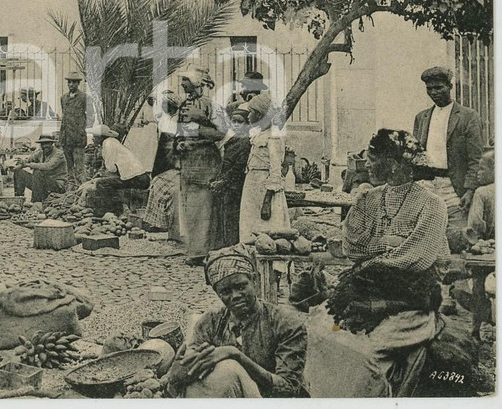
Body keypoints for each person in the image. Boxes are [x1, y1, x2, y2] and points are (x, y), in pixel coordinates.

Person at [304, 129, 448, 398]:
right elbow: (353, 247)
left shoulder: (432, 204)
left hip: (407, 300)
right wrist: (387, 243)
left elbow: (417, 258)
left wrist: (373, 257)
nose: (366, 163)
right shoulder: (368, 198)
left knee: (367, 352)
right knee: (321, 329)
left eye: (371, 157)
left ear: (393, 163)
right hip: (364, 292)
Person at [165, 244, 307, 398]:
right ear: (217, 293)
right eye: (225, 292)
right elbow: (191, 370)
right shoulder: (209, 324)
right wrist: (175, 377)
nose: (235, 296)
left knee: (228, 368)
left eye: (240, 286)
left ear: (254, 279)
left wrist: (235, 355)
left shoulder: (286, 324)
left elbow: (288, 388)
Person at [412, 66, 484, 253]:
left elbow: (475, 158)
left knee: (457, 237)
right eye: (430, 88)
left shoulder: (468, 117)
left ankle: (455, 278)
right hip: (427, 184)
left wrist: (469, 190)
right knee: (425, 235)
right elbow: (416, 153)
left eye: (439, 87)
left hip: (454, 186)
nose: (434, 92)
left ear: (450, 86)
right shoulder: (421, 117)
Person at [178, 68, 226, 266]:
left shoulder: (211, 106)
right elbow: (180, 131)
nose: (184, 87)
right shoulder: (184, 105)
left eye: (187, 82)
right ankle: (193, 249)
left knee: (204, 209)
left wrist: (201, 123)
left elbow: (221, 133)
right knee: (190, 209)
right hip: (189, 162)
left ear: (198, 84)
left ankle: (203, 252)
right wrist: (180, 143)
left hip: (206, 162)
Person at [238, 92, 291, 243]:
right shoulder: (259, 135)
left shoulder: (273, 137)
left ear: (261, 115)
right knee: (250, 227)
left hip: (265, 190)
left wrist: (267, 201)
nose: (248, 117)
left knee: (267, 229)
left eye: (251, 113)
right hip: (252, 187)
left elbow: (275, 171)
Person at [210, 108, 253, 249]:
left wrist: (223, 181)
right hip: (226, 184)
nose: (235, 125)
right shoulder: (233, 139)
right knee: (223, 219)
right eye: (233, 121)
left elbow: (238, 167)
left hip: (235, 186)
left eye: (239, 122)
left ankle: (232, 248)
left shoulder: (246, 142)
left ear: (247, 124)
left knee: (232, 219)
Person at [87, 124, 150, 214]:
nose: (93, 139)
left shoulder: (108, 143)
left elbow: (111, 169)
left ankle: (113, 210)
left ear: (101, 137)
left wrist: (101, 175)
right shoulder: (112, 142)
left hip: (137, 179)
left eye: (95, 137)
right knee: (105, 182)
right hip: (141, 177)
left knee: (101, 184)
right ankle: (115, 209)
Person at [145, 91, 183, 235]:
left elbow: (169, 154)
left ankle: (161, 222)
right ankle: (157, 221)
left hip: (177, 167)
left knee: (159, 184)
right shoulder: (167, 121)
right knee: (156, 182)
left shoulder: (175, 123)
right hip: (170, 166)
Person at [13, 133, 67, 203]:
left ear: (51, 143)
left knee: (37, 172)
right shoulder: (40, 153)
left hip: (57, 186)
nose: (45, 146)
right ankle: (18, 200)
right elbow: (28, 160)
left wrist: (27, 164)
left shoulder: (59, 154)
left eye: (47, 143)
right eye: (42, 144)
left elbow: (48, 166)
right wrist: (19, 166)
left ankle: (35, 202)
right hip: (42, 184)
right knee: (19, 172)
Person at [59, 72, 90, 190]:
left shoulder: (84, 98)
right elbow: (65, 116)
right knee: (69, 167)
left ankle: (82, 190)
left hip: (78, 138)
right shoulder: (63, 98)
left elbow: (90, 117)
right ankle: (70, 190)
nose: (71, 85)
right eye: (69, 82)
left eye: (74, 82)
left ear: (78, 84)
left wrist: (82, 128)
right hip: (66, 138)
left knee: (79, 168)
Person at [465, 149, 495, 243]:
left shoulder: (481, 193)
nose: (477, 173)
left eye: (482, 169)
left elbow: (474, 227)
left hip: (487, 245)